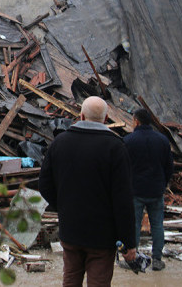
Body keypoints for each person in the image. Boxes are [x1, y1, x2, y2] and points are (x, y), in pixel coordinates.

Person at [39, 96, 136, 286]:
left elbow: (45, 185)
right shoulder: (115, 147)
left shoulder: (60, 143)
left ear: (81, 115)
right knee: (99, 281)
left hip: (71, 230)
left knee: (71, 279)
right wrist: (128, 242)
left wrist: (64, 207)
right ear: (106, 118)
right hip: (102, 236)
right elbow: (123, 200)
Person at [124, 108, 173, 271]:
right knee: (157, 225)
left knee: (134, 225)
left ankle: (134, 257)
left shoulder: (128, 141)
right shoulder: (162, 140)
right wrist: (163, 183)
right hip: (156, 190)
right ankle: (157, 259)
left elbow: (123, 168)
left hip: (136, 190)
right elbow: (169, 167)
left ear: (136, 121)